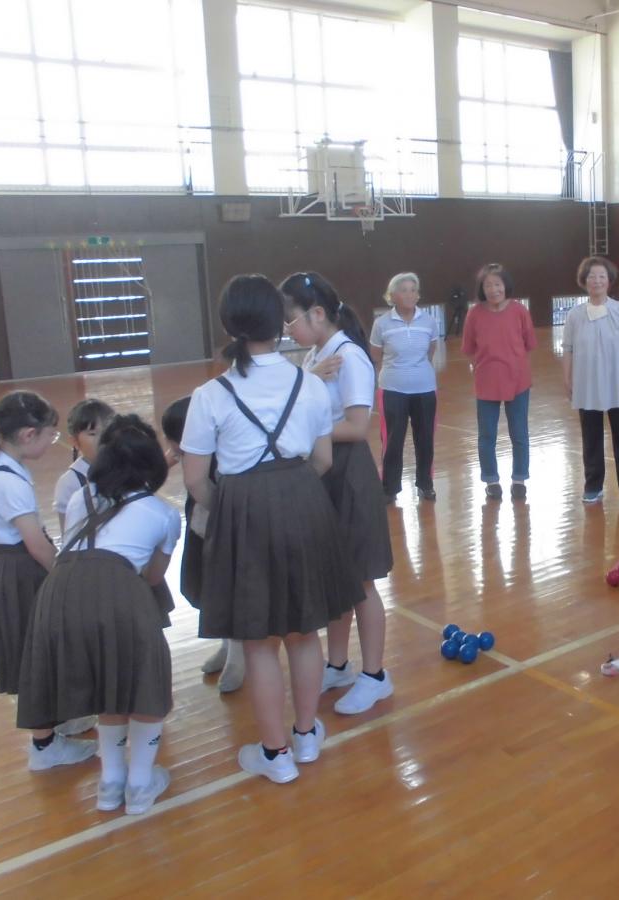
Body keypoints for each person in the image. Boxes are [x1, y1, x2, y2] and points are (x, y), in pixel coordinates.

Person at [181, 274, 362, 783]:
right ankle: (306, 737)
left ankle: (275, 754)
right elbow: (323, 460)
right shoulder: (309, 383)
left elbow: (195, 481)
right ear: (279, 324)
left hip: (242, 510)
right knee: (304, 632)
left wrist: (234, 509)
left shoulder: (209, 394)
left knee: (259, 641)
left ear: (229, 325)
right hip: (305, 502)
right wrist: (290, 494)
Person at [17, 415, 181, 815]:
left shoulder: (80, 498)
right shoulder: (163, 513)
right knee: (144, 683)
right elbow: (153, 577)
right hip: (118, 590)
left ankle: (110, 782)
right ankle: (139, 783)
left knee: (106, 685)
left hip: (58, 592)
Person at [281, 271, 395, 716]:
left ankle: (375, 675)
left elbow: (357, 426)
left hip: (348, 473)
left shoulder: (350, 357)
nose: (288, 329)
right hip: (325, 471)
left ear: (317, 314)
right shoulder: (318, 355)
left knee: (361, 581)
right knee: (336, 578)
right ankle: (339, 665)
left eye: (291, 319)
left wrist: (305, 432)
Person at [0, 390, 96, 771]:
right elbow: (36, 544)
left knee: (34, 649)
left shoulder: (0, 466)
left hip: (7, 566)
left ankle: (51, 731)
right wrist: (63, 575)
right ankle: (44, 746)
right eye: (50, 435)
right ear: (29, 435)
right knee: (35, 653)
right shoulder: (9, 482)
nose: (51, 442)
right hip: (20, 571)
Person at [161, 397, 244, 693]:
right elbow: (163, 467)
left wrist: (221, 517)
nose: (171, 447)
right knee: (209, 588)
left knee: (231, 592)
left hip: (227, 533)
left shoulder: (224, 455)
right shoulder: (188, 451)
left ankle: (238, 654)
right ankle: (227, 645)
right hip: (202, 530)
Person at [562, 255, 619, 508]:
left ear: (609, 281)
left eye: (601, 276)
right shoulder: (575, 315)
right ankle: (593, 486)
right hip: (586, 385)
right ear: (584, 281)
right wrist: (567, 379)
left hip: (618, 383)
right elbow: (568, 349)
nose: (596, 281)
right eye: (591, 276)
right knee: (591, 438)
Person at [462, 263, 536, 500]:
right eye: (488, 285)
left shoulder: (519, 311)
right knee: (487, 435)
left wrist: (513, 362)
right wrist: (482, 365)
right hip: (487, 382)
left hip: (518, 381)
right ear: (482, 289)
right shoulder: (474, 314)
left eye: (497, 284)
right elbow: (469, 348)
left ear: (506, 285)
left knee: (519, 433)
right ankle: (491, 480)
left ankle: (519, 479)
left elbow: (529, 344)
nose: (493, 290)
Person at [370, 272, 439, 503]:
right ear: (392, 296)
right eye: (404, 290)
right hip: (392, 390)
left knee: (425, 439)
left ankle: (425, 484)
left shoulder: (429, 321)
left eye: (413, 290)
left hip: (425, 389)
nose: (410, 294)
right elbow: (376, 356)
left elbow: (430, 351)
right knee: (393, 441)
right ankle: (389, 488)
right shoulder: (381, 324)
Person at [53, 399, 115, 534]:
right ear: (74, 441)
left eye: (107, 431)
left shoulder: (126, 468)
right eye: (92, 434)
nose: (102, 439)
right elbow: (68, 535)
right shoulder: (70, 482)